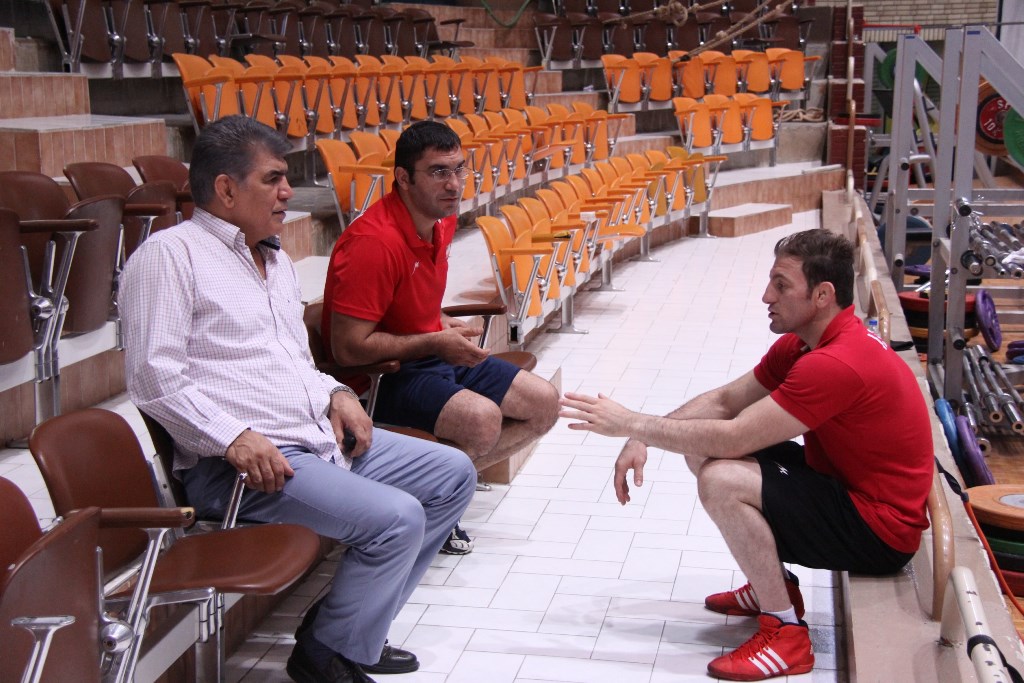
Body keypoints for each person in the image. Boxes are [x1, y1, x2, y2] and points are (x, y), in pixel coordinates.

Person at [121, 115, 476, 683]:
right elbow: (153, 377)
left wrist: (336, 392)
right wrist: (233, 437)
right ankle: (328, 655)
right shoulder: (169, 256)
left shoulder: (275, 260)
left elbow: (292, 360)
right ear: (226, 189)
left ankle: (345, 630)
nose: (289, 192)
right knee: (397, 518)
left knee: (451, 475)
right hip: (244, 465)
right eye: (274, 179)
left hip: (313, 435)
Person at [559, 229, 933, 681]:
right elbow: (724, 402)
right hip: (847, 490)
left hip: (880, 531)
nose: (766, 296)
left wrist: (632, 423)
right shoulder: (806, 343)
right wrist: (642, 438)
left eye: (781, 285)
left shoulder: (834, 363)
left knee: (721, 477)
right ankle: (771, 588)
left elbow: (734, 437)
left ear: (822, 295)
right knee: (699, 449)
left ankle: (786, 633)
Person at [322, 120, 560, 554]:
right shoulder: (373, 243)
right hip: (380, 378)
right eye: (437, 172)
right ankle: (435, 505)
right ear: (403, 178)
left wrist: (439, 320)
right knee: (481, 420)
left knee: (544, 403)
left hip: (429, 352)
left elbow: (407, 301)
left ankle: (435, 495)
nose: (453, 184)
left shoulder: (440, 220)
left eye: (458, 169)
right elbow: (349, 348)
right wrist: (433, 340)